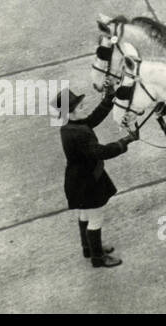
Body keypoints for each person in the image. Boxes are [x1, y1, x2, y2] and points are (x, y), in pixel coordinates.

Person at [55, 84, 136, 268]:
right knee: (96, 218)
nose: (85, 108)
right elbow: (100, 152)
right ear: (70, 113)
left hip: (77, 181)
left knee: (84, 214)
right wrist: (125, 142)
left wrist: (108, 100)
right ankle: (98, 258)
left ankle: (88, 248)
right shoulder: (79, 133)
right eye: (80, 107)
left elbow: (93, 118)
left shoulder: (70, 126)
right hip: (88, 184)